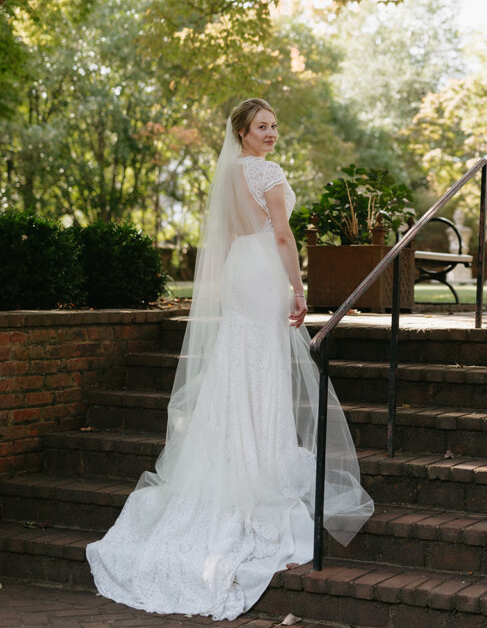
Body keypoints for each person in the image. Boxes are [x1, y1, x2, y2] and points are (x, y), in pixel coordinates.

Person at [86, 98, 373, 620]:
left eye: (275, 126)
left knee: (240, 360)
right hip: (263, 269)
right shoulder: (267, 172)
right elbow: (282, 234)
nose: (271, 133)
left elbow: (231, 235)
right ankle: (259, 462)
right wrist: (299, 288)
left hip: (242, 268)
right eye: (262, 126)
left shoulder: (227, 174)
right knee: (261, 365)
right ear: (242, 131)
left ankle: (236, 455)